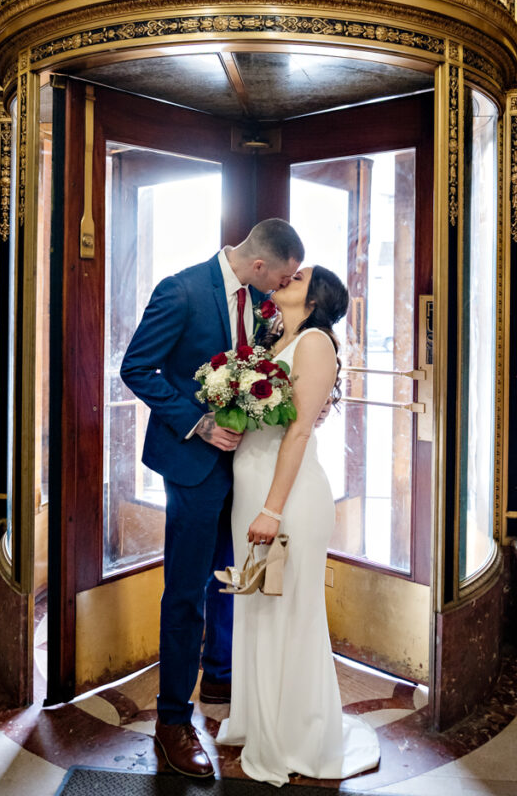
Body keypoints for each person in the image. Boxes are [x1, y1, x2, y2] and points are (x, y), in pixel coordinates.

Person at [120, 219, 304, 779]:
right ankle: (172, 721)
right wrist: (198, 423)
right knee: (186, 591)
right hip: (194, 466)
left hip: (245, 469)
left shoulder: (258, 302)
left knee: (232, 581)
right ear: (257, 267)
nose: (282, 288)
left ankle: (220, 678)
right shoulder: (181, 290)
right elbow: (136, 368)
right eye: (282, 278)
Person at [216, 265, 381, 786]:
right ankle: (258, 720)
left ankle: (294, 736)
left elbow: (299, 433)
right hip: (251, 487)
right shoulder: (271, 336)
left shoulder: (313, 343)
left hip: (286, 498)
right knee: (258, 608)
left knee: (288, 611)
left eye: (301, 274)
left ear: (315, 298)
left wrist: (271, 508)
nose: (289, 274)